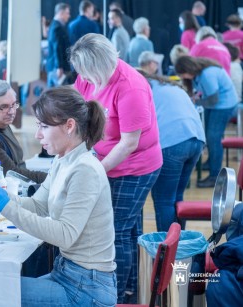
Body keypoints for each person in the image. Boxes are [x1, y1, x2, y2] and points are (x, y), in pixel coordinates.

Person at [0, 86, 117, 307]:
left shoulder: (85, 169)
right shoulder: (63, 160)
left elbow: (64, 235)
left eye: (44, 126)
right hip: (69, 274)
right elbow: (39, 204)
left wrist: (7, 206)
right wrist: (0, 199)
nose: (38, 135)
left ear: (69, 126)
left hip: (86, 288)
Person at [70, 33, 162, 304]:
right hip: (107, 159)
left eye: (87, 73)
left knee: (117, 230)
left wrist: (96, 170)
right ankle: (132, 288)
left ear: (100, 65)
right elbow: (78, 115)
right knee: (129, 227)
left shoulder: (130, 85)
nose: (84, 79)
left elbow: (129, 143)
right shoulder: (85, 78)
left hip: (135, 166)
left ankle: (116, 295)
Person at [138, 51, 206, 232]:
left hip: (173, 142)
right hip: (196, 139)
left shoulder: (141, 89)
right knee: (177, 196)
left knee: (163, 200)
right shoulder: (169, 85)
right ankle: (178, 245)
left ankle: (167, 251)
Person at [175, 56, 238, 188]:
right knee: (209, 136)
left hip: (224, 105)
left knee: (213, 138)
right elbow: (206, 94)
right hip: (215, 105)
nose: (182, 77)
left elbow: (214, 99)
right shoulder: (200, 73)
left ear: (188, 69)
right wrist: (197, 97)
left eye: (182, 73)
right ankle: (211, 162)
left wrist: (196, 101)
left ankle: (215, 176)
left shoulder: (207, 74)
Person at [46, 3, 71, 88]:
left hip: (55, 67)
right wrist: (59, 67)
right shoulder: (57, 28)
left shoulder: (54, 26)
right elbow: (57, 47)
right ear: (61, 13)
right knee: (60, 96)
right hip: (58, 68)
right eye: (67, 13)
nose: (69, 16)